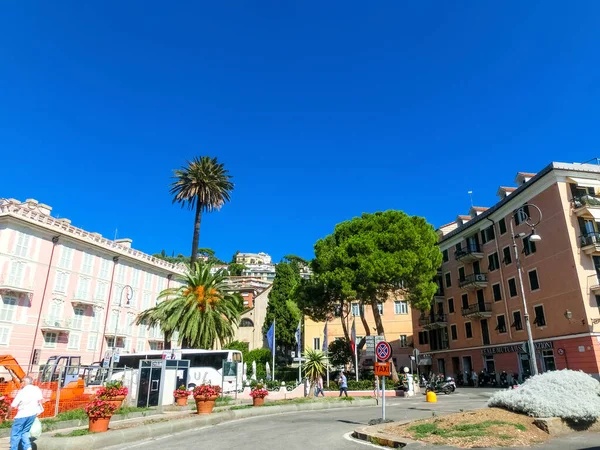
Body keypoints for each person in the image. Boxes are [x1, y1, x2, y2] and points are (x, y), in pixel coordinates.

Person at [10, 376, 44, 450]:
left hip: (22, 415)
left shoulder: (22, 391)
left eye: (21, 382)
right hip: (32, 414)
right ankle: (28, 447)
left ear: (24, 382)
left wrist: (8, 414)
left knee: (15, 434)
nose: (21, 383)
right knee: (25, 432)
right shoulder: (36, 389)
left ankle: (13, 448)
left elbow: (13, 404)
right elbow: (40, 400)